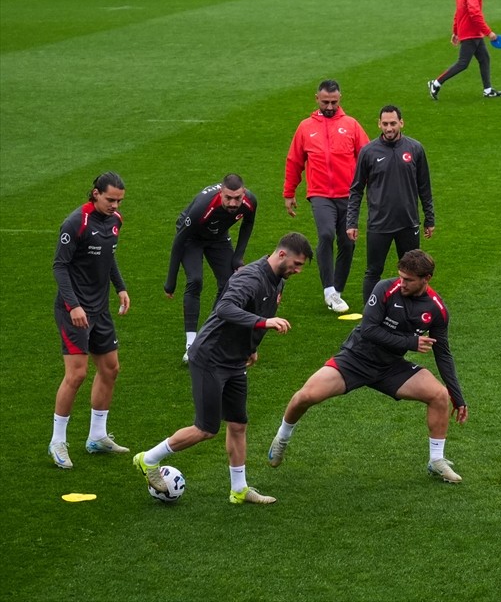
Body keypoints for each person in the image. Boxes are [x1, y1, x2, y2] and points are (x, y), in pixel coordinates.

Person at [133, 232, 312, 504]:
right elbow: (225, 309)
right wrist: (264, 324)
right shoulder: (249, 277)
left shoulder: (278, 280)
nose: (298, 271)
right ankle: (148, 459)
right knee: (206, 428)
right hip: (210, 358)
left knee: (238, 424)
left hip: (235, 360)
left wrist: (251, 347)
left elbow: (260, 311)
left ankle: (239, 489)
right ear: (282, 254)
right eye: (297, 264)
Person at [266, 249, 468, 484]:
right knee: (306, 396)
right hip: (355, 359)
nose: (401, 283)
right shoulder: (385, 288)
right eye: (400, 276)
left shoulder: (436, 309)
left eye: (408, 280)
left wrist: (457, 396)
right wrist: (410, 342)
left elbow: (442, 353)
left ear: (426, 279)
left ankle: (436, 461)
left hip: (391, 367)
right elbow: (370, 330)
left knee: (439, 395)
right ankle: (282, 439)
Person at [49, 172, 131, 469]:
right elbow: (60, 266)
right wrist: (73, 306)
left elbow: (109, 258)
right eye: (110, 199)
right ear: (95, 193)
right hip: (75, 311)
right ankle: (57, 441)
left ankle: (97, 437)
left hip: (100, 309)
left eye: (119, 200)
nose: (115, 205)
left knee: (110, 369)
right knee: (77, 375)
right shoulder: (75, 222)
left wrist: (120, 287)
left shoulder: (115, 221)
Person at [284, 79, 370, 314]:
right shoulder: (305, 127)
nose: (329, 106)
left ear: (340, 98)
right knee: (326, 233)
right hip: (320, 194)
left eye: (333, 102)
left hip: (349, 195)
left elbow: (367, 157)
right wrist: (289, 193)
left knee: (347, 242)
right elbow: (294, 161)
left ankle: (337, 293)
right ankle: (328, 289)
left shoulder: (351, 125)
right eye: (325, 102)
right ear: (317, 99)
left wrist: (375, 188)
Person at [165, 175, 258, 365]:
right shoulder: (203, 206)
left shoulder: (250, 201)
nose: (233, 203)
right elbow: (180, 240)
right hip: (191, 238)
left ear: (244, 193)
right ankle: (190, 345)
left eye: (237, 198)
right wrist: (171, 281)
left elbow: (248, 224)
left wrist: (238, 256)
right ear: (220, 193)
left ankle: (208, 334)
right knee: (195, 281)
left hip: (218, 236)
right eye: (228, 198)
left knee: (228, 283)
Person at [347, 105, 435, 306]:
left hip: (408, 223)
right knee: (373, 271)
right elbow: (356, 189)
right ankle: (369, 316)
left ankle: (412, 311)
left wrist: (429, 218)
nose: (389, 128)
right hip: (379, 224)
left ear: (401, 123)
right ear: (379, 124)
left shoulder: (415, 149)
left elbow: (425, 187)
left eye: (393, 123)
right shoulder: (368, 152)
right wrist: (351, 223)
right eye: (385, 124)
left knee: (414, 271)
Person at [427, 0, 501, 101]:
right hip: (471, 33)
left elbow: (458, 12)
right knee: (462, 63)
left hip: (471, 32)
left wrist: (455, 31)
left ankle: (488, 90)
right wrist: (489, 32)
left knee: (484, 59)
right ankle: (436, 83)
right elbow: (475, 14)